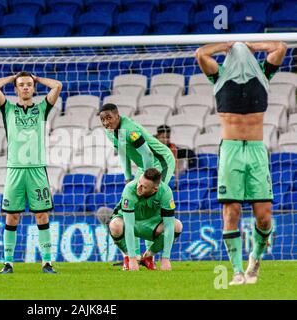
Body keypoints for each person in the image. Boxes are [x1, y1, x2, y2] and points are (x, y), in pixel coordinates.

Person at [195, 41, 287, 285]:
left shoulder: (264, 73)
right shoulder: (219, 77)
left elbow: (280, 47)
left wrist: (251, 45)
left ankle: (254, 261)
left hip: (257, 150)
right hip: (231, 150)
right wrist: (227, 45)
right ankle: (236, 271)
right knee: (231, 211)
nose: (240, 54)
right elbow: (200, 53)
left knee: (264, 216)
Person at [0, 71, 62, 274]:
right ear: (15, 88)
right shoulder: (8, 109)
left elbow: (57, 85)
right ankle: (8, 263)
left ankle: (47, 262)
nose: (25, 87)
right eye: (21, 84)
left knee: (42, 215)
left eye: (29, 84)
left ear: (34, 88)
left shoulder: (41, 109)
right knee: (12, 217)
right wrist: (13, 77)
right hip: (15, 170)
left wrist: (38, 79)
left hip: (37, 170)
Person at [99, 103, 176, 270]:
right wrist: (127, 177)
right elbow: (122, 152)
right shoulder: (109, 132)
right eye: (103, 120)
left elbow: (148, 154)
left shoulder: (131, 130)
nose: (106, 122)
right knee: (134, 203)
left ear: (117, 116)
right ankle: (132, 255)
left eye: (109, 118)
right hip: (144, 166)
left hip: (160, 163)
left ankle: (149, 256)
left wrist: (145, 177)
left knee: (153, 203)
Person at [108, 168, 182, 271]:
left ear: (155, 189)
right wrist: (132, 259)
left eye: (144, 187)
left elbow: (169, 225)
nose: (138, 187)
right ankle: (127, 256)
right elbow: (129, 225)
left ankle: (147, 256)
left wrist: (165, 258)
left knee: (177, 226)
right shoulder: (130, 189)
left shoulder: (165, 192)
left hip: (151, 225)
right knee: (115, 225)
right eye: (139, 182)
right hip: (130, 223)